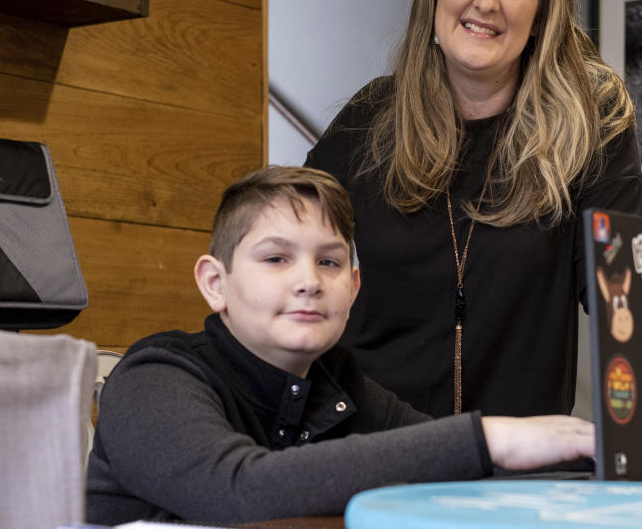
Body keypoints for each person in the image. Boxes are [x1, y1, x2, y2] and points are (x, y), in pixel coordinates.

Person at [85, 166, 594, 525]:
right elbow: (238, 490)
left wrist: (606, 455)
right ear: (216, 283)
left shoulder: (341, 386)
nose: (309, 281)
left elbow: (458, 471)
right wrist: (492, 436)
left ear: (352, 289)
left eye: (328, 262)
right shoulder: (153, 376)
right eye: (277, 259)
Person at [305, 0, 642, 420]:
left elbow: (629, 299)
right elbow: (285, 250)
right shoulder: (371, 118)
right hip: (370, 451)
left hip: (518, 465)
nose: (487, 2)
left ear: (539, 16)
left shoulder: (589, 127)